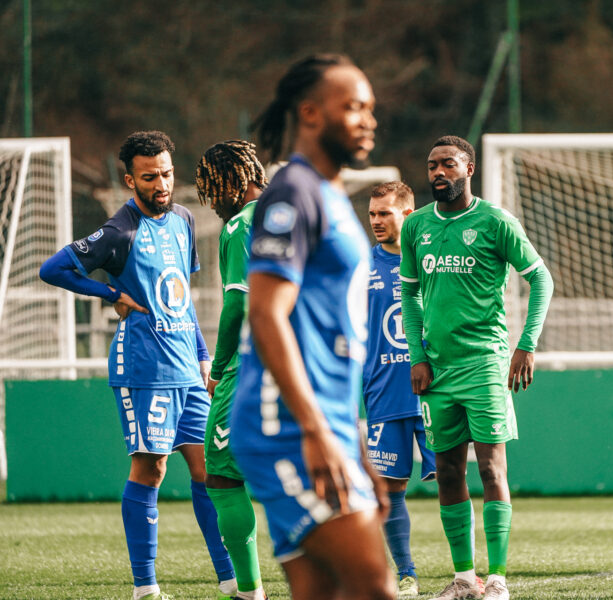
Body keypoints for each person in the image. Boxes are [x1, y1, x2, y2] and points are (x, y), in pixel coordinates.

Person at [39, 131, 236, 600]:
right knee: (151, 470)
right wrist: (110, 293)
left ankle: (232, 580)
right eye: (150, 177)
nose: (162, 184)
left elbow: (182, 301)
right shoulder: (118, 232)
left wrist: (205, 358)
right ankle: (145, 587)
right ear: (131, 181)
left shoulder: (185, 219)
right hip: (144, 368)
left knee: (213, 470)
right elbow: (53, 269)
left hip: (188, 367)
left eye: (167, 174)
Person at [228, 54, 394, 600]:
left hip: (327, 426)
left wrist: (358, 448)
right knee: (374, 584)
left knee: (322, 593)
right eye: (352, 107)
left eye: (370, 107)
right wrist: (317, 432)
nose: (367, 119)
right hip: (288, 429)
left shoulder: (333, 198)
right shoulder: (291, 193)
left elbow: (329, 343)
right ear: (310, 113)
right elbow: (265, 313)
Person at [400, 135, 554, 600]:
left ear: (469, 169)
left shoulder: (495, 222)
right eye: (432, 166)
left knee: (491, 469)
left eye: (448, 164)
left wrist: (526, 345)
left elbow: (540, 279)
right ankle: (465, 578)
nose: (438, 173)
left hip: (486, 363)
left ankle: (499, 579)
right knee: (446, 472)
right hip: (438, 370)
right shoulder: (416, 227)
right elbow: (409, 294)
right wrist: (418, 355)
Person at [195, 140, 269, 600]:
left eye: (213, 189)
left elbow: (237, 301)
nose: (213, 202)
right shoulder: (297, 216)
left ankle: (248, 591)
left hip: (253, 368)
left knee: (221, 475)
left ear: (234, 182)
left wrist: (219, 367)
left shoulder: (243, 224)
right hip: (312, 367)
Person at [364, 180, 437, 598]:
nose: (376, 221)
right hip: (382, 393)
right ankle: (407, 573)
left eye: (384, 213)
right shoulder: (361, 267)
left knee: (449, 480)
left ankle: (465, 570)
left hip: (434, 390)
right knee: (390, 487)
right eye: (372, 213)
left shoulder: (430, 262)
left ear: (407, 215)